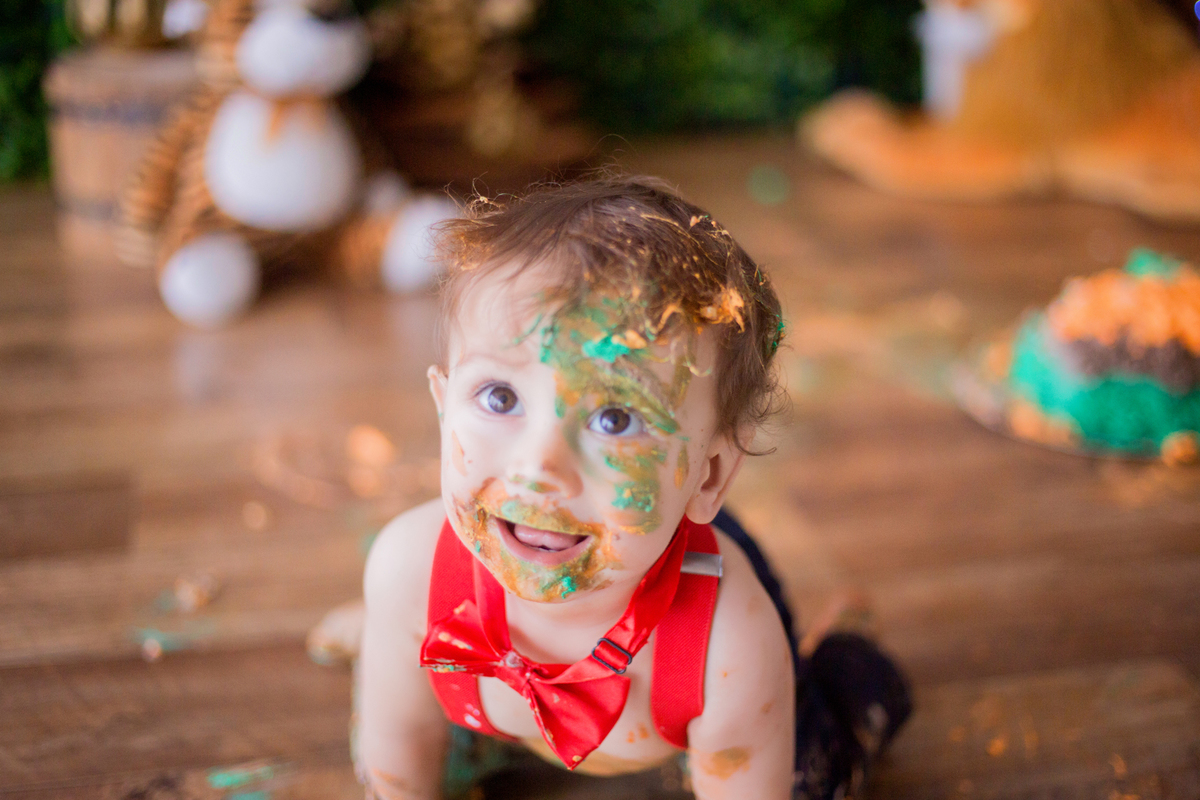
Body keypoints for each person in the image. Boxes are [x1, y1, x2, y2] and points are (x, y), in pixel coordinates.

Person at [355, 178, 911, 800]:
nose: (538, 468)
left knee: (815, 774)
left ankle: (844, 656)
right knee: (432, 740)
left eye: (614, 420)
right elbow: (398, 752)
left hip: (688, 580)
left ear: (708, 475)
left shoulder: (728, 645)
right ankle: (381, 639)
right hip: (584, 552)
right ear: (442, 408)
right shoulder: (409, 570)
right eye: (500, 397)